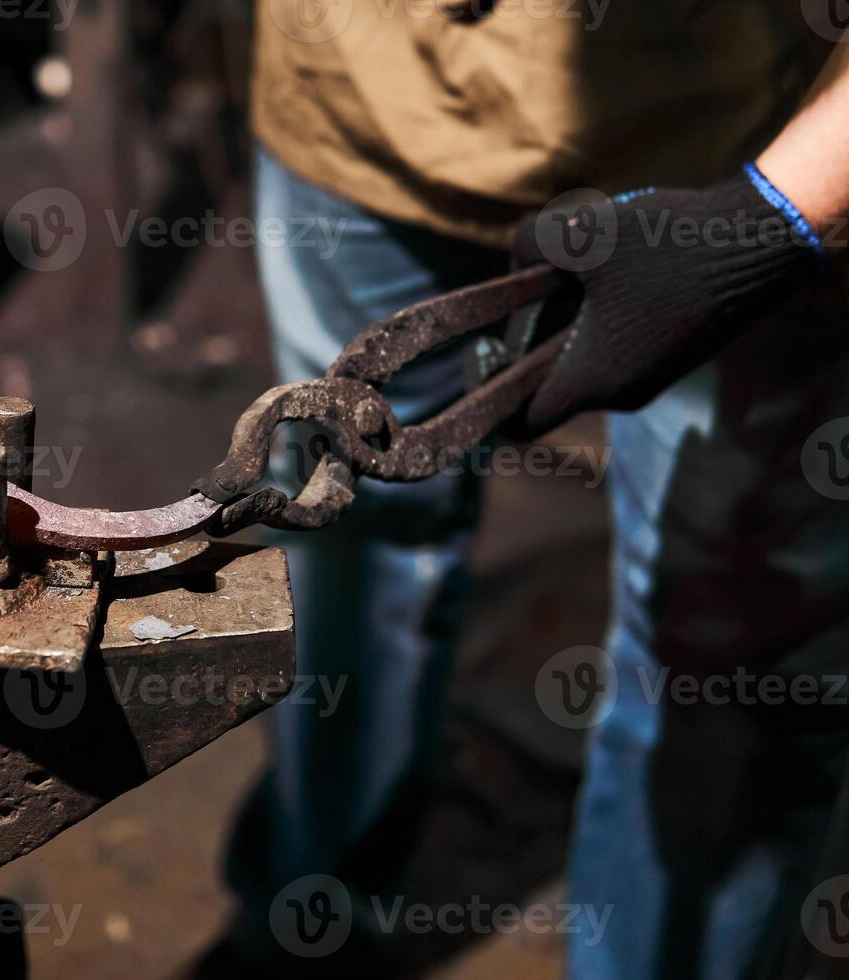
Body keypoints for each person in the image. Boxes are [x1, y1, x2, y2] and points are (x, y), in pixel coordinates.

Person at [218, 2, 849, 977]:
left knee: (726, 648)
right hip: (355, 101)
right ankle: (312, 921)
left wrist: (774, 215)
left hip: (752, 142)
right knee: (352, 544)